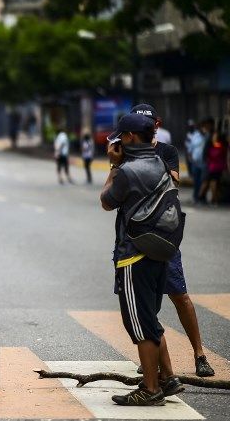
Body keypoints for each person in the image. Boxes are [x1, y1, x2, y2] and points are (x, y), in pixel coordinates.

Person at [101, 113, 184, 406]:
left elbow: (106, 202)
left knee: (139, 324)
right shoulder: (161, 163)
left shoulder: (127, 171)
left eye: (120, 136)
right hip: (159, 250)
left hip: (133, 256)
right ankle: (168, 377)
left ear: (130, 138)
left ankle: (150, 389)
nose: (117, 141)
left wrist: (113, 165)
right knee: (150, 317)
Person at [129, 104, 215, 377]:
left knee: (180, 296)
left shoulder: (167, 151)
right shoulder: (126, 154)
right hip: (135, 237)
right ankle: (153, 357)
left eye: (148, 124)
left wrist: (147, 158)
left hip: (164, 236)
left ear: (157, 124)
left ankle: (199, 354)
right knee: (147, 304)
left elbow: (174, 182)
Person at [199, 130, 228, 206]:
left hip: (216, 167)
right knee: (211, 182)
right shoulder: (213, 145)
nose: (214, 138)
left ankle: (213, 199)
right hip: (212, 167)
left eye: (216, 137)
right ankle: (211, 199)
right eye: (213, 136)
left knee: (213, 183)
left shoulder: (219, 145)